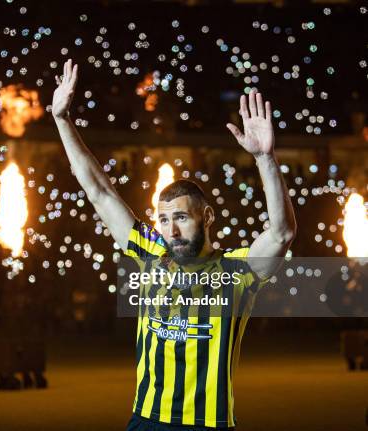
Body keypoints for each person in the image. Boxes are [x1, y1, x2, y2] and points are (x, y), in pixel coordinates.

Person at [52, 59, 296, 430]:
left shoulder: (236, 271)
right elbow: (99, 192)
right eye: (164, 220)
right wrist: (62, 120)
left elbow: (281, 233)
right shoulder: (150, 252)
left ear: (207, 217)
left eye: (181, 217)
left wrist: (265, 158)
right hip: (147, 419)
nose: (171, 230)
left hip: (207, 423)